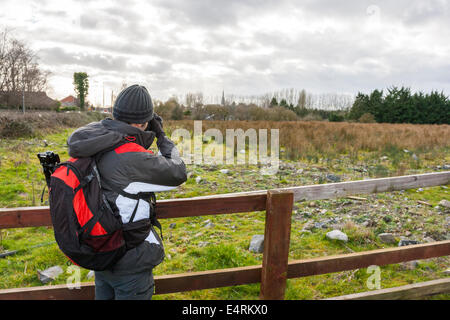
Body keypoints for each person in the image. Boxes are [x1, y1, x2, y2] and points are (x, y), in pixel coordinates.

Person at [66, 84, 187, 300]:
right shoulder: (132, 155)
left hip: (100, 250)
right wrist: (162, 136)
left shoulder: (94, 142)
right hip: (129, 261)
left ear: (115, 114)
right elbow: (178, 171)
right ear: (144, 122)